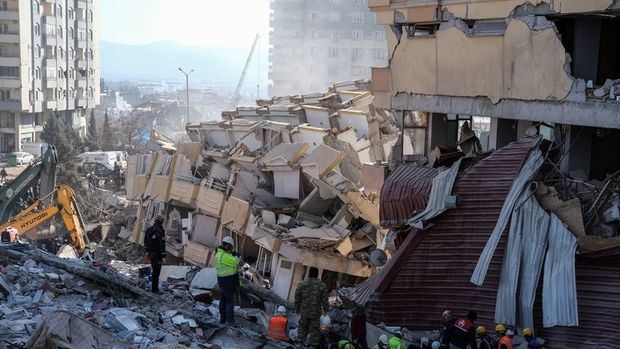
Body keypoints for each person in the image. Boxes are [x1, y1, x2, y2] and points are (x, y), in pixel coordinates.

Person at [294, 267, 329, 349]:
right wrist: (326, 310)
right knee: (314, 330)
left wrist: (296, 308)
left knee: (303, 327)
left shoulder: (302, 284)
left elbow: (297, 297)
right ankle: (312, 345)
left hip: (304, 311)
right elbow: (325, 300)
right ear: (317, 275)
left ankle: (300, 343)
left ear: (309, 273)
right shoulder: (322, 286)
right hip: (316, 313)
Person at [215, 236, 240, 325]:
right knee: (230, 302)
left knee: (223, 301)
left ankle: (222, 319)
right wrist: (237, 256)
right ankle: (230, 321)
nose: (231, 249)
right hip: (228, 281)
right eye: (231, 247)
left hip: (221, 280)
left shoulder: (219, 254)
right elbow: (235, 262)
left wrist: (231, 254)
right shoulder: (224, 256)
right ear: (228, 246)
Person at [144, 214, 166, 293]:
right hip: (157, 255)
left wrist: (147, 251)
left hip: (150, 254)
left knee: (153, 270)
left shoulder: (149, 229)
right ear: (162, 222)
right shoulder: (160, 231)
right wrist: (163, 256)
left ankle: (153, 288)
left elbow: (145, 241)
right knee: (156, 273)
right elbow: (162, 244)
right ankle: (154, 289)